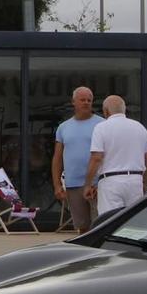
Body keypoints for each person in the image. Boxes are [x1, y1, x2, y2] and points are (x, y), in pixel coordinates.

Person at [85, 94, 147, 219]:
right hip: (135, 180)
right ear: (124, 109)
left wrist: (88, 184)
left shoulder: (101, 128)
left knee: (109, 221)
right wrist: (144, 182)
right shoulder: (139, 127)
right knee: (134, 221)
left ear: (106, 111)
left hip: (110, 182)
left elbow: (96, 158)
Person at [50, 85, 104, 232]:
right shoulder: (63, 127)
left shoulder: (102, 124)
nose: (86, 103)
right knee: (82, 227)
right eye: (82, 100)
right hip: (73, 184)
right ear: (74, 102)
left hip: (97, 184)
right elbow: (57, 158)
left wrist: (103, 180)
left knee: (101, 225)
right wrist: (57, 185)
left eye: (89, 100)